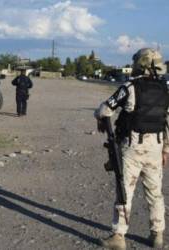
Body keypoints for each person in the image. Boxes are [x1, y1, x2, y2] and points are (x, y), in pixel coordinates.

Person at [94, 48, 169, 250]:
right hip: (157, 145)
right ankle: (157, 235)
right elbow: (167, 121)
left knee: (124, 190)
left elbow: (104, 109)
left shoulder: (129, 86)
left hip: (133, 146)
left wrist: (100, 118)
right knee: (155, 193)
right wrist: (166, 150)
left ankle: (119, 236)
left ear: (141, 63)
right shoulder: (165, 89)